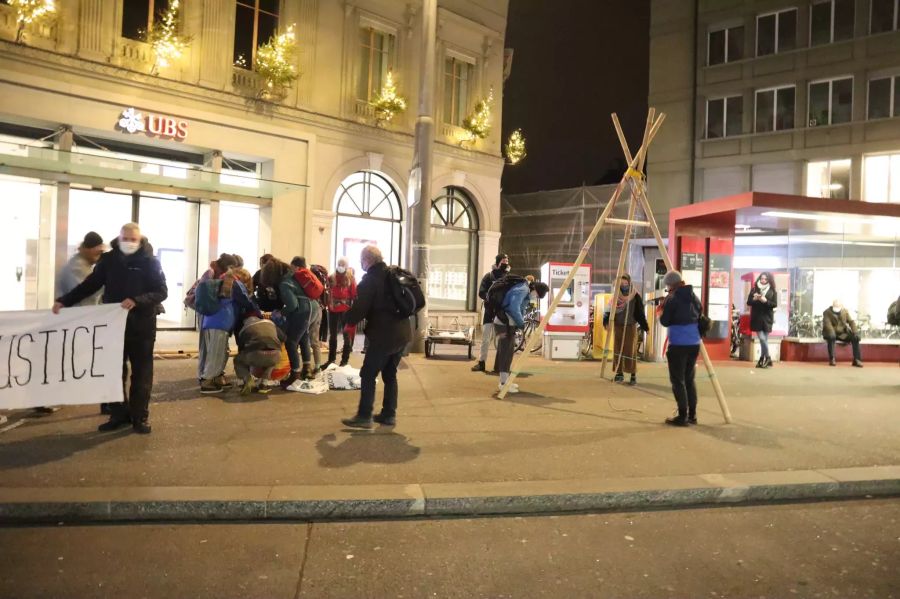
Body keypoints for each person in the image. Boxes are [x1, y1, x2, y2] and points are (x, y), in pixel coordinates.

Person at [53, 223, 167, 434]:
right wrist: (64, 301)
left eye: (133, 239)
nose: (129, 243)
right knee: (114, 372)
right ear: (119, 238)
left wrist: (137, 300)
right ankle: (118, 415)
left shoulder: (150, 262)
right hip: (113, 326)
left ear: (140, 240)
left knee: (142, 373)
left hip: (142, 327)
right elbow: (90, 285)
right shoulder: (109, 261)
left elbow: (161, 291)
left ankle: (139, 417)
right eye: (126, 239)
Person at [340, 246, 411, 429]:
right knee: (389, 373)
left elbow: (359, 310)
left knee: (368, 374)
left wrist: (346, 318)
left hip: (383, 336)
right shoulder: (392, 275)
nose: (361, 263)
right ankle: (389, 414)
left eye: (361, 260)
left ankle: (364, 416)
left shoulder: (370, 281)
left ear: (367, 260)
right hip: (402, 333)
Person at [198, 267, 260, 393]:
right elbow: (246, 301)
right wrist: (258, 312)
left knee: (219, 352)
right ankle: (207, 381)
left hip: (211, 321)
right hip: (220, 323)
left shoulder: (223, 281)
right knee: (216, 354)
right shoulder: (235, 283)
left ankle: (216, 378)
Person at [658, 270, 701, 427]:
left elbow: (665, 321)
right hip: (694, 343)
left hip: (678, 343)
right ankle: (692, 415)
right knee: (689, 380)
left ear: (670, 285)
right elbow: (699, 313)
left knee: (678, 380)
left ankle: (682, 416)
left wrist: (661, 311)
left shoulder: (672, 299)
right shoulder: (694, 297)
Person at [263, 258, 313, 388]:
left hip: (301, 312)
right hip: (309, 309)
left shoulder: (284, 283)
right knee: (303, 339)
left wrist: (281, 313)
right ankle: (305, 369)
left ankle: (295, 375)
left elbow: (292, 304)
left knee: (291, 343)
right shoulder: (291, 277)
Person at [495, 279, 550, 395]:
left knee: (509, 353)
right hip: (503, 323)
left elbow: (519, 308)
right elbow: (513, 308)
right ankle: (503, 383)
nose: (535, 297)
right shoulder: (522, 290)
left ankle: (505, 381)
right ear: (535, 290)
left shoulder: (524, 290)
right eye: (537, 295)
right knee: (505, 353)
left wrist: (518, 323)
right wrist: (521, 323)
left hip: (508, 323)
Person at [603, 274, 650, 385]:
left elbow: (640, 313)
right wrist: (606, 322)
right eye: (622, 284)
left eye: (626, 283)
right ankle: (619, 373)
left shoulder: (635, 296)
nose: (624, 285)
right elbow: (608, 311)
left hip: (630, 326)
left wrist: (645, 327)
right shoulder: (615, 296)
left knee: (630, 350)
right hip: (618, 326)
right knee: (618, 349)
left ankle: (633, 373)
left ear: (629, 283)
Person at [472, 254, 511, 373]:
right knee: (485, 338)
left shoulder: (508, 277)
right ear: (499, 261)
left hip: (501, 312)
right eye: (504, 260)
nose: (506, 262)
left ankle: (499, 366)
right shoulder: (489, 276)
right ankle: (481, 362)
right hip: (489, 311)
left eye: (507, 260)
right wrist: (490, 299)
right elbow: (481, 292)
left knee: (501, 339)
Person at [234, 315, 286, 395]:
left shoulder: (245, 328)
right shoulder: (270, 323)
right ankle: (264, 383)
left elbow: (241, 349)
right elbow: (284, 338)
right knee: (272, 359)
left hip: (256, 354)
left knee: (238, 360)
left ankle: (248, 380)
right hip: (275, 355)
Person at [291, 256, 320, 376]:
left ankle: (295, 371)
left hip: (306, 310)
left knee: (293, 341)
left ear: (297, 266)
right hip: (316, 308)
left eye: (292, 267)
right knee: (309, 338)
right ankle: (314, 367)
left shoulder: (297, 276)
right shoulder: (311, 275)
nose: (291, 269)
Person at [57, 231, 105, 304]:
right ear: (87, 250)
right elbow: (89, 290)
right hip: (75, 311)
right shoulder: (77, 267)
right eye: (96, 254)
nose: (97, 258)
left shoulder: (84, 264)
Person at [326, 257, 357, 368]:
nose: (341, 265)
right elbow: (328, 292)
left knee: (346, 336)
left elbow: (354, 294)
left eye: (343, 264)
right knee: (333, 336)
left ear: (347, 266)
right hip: (333, 309)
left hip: (346, 310)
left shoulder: (350, 278)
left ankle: (344, 361)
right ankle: (331, 359)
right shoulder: (331, 277)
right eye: (339, 263)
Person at [747, 271, 777, 369]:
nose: (763, 280)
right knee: (762, 339)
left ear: (769, 280)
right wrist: (755, 299)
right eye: (762, 278)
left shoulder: (772, 290)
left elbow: (774, 304)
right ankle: (768, 358)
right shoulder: (754, 289)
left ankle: (761, 359)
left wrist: (766, 301)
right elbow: (749, 302)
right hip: (757, 318)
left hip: (768, 318)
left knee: (765, 340)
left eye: (765, 279)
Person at [822, 300, 863, 368]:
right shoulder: (827, 312)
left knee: (855, 338)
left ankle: (857, 359)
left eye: (838, 306)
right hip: (830, 332)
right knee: (832, 337)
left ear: (841, 306)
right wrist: (832, 333)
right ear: (833, 305)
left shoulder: (845, 311)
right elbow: (827, 324)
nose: (837, 307)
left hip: (841, 334)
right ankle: (832, 359)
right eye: (835, 306)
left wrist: (855, 332)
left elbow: (851, 322)